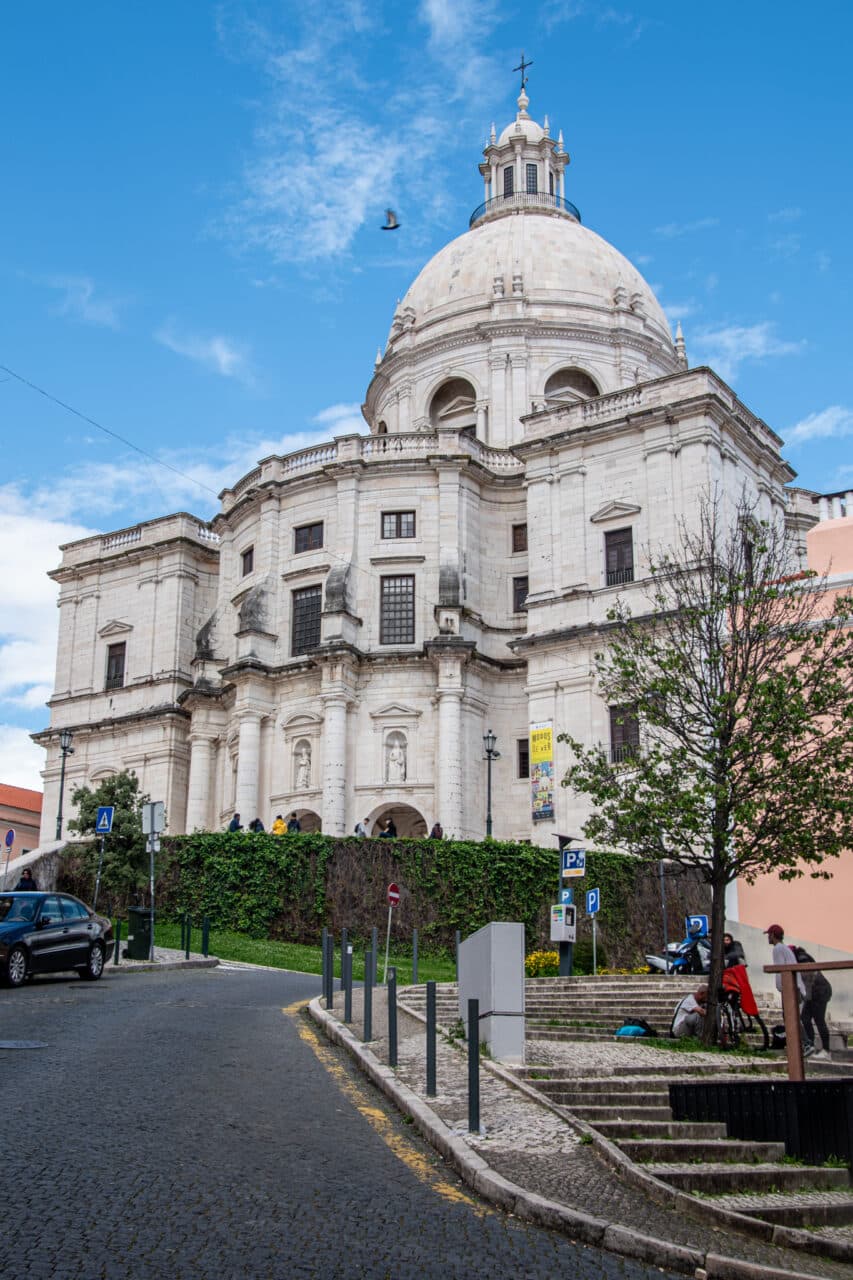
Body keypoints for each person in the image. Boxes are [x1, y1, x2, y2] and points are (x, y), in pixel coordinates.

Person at [765, 924, 814, 1057]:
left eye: (769, 935)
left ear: (773, 935)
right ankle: (802, 1044)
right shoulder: (785, 949)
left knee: (791, 1018)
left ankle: (806, 1043)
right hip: (794, 988)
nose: (768, 938)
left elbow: (782, 970)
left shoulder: (778, 949)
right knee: (790, 1017)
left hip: (791, 988)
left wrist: (783, 987)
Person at [794, 944, 833, 1059]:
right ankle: (810, 1047)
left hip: (819, 992)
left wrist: (805, 998)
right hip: (816, 992)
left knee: (819, 1020)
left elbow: (809, 981)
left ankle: (826, 1051)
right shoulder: (803, 957)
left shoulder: (802, 960)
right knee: (805, 1018)